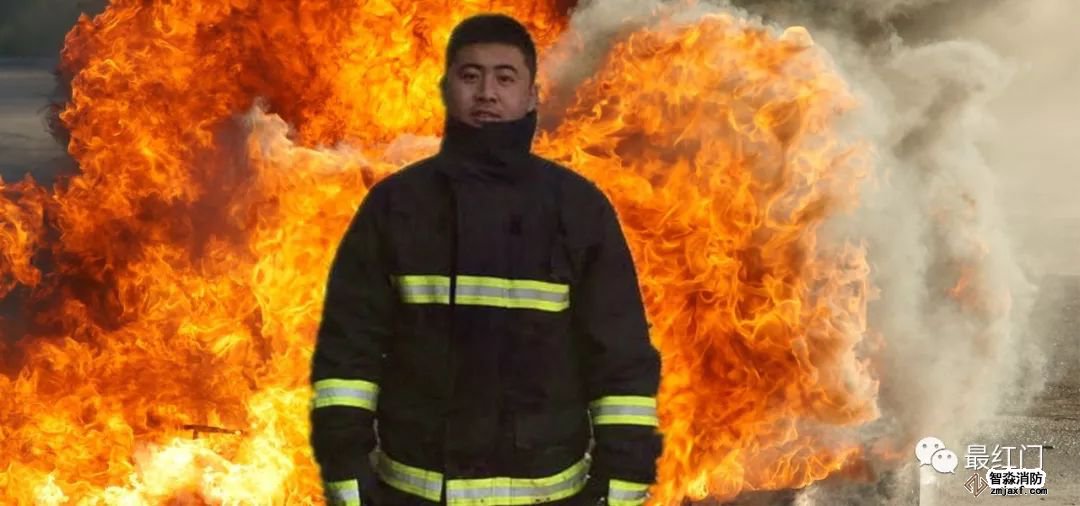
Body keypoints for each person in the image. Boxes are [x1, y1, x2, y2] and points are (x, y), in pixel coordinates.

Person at [308, 13, 662, 506]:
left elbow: (619, 357)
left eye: (505, 77)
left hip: (547, 497)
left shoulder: (578, 209)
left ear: (532, 95)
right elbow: (349, 350)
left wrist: (620, 483)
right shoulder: (396, 206)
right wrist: (346, 468)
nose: (487, 93)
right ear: (445, 87)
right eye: (470, 75)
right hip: (414, 492)